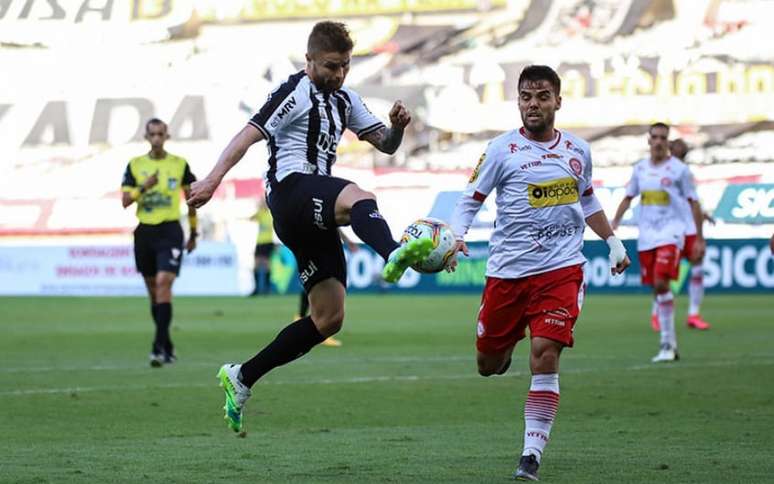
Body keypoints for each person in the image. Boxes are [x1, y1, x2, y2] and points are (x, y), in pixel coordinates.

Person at [186, 21, 434, 434]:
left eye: (345, 67)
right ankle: (394, 253)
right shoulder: (294, 91)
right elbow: (247, 135)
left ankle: (242, 376)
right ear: (310, 61)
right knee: (360, 196)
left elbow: (386, 144)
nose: (338, 74)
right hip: (290, 192)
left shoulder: (346, 100)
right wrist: (212, 180)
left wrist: (399, 127)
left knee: (328, 318)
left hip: (311, 215)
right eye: (330, 66)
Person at [448, 65, 630, 481]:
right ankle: (507, 344)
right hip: (508, 275)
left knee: (545, 352)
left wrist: (613, 241)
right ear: (518, 102)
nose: (534, 104)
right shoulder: (499, 150)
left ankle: (531, 453)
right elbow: (470, 199)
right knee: (487, 364)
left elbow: (588, 201)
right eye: (527, 97)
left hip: (562, 270)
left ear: (557, 102)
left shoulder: (579, 151)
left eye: (542, 96)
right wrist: (456, 235)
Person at [612, 123, 705, 363]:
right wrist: (613, 225)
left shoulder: (679, 170)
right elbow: (628, 197)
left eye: (663, 137)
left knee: (661, 281)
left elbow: (694, 202)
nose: (659, 141)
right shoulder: (640, 169)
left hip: (672, 234)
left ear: (668, 141)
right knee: (657, 286)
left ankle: (667, 343)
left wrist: (698, 238)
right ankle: (669, 345)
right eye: (655, 137)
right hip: (647, 237)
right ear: (648, 140)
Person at [121, 118, 198, 367]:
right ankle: (167, 345)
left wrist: (194, 233)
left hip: (170, 231)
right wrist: (143, 187)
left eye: (160, 134)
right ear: (146, 137)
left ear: (167, 136)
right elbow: (125, 201)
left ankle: (157, 346)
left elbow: (191, 199)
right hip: (144, 232)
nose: (156, 139)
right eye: (152, 134)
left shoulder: (179, 164)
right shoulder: (135, 165)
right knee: (154, 292)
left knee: (165, 284)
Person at [644, 138, 711, 331]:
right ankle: (656, 314)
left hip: (689, 228)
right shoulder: (661, 171)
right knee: (662, 277)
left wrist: (702, 218)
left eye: (682, 146)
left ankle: (693, 314)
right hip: (670, 231)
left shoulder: (684, 171)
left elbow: (691, 200)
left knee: (697, 266)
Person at [294, 229, 358, 347]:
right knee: (323, 287)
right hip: (317, 248)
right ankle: (321, 330)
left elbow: (331, 223)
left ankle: (301, 319)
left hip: (313, 247)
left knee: (314, 284)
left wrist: (346, 240)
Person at [249, 198, 275, 296]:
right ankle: (256, 289)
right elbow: (251, 218)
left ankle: (267, 289)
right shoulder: (260, 213)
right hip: (259, 242)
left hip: (268, 242)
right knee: (256, 265)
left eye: (263, 203)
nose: (261, 205)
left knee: (266, 265)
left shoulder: (270, 214)